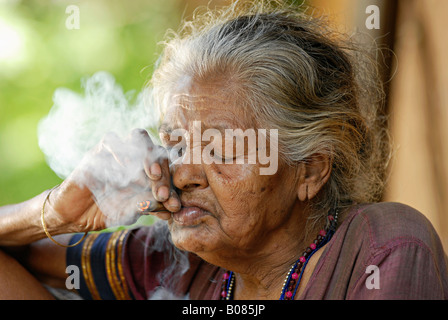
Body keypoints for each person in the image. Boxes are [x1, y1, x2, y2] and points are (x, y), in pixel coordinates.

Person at [0, 0, 447, 300]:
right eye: (174, 144)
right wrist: (55, 213)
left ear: (310, 170)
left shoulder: (383, 246)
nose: (184, 173)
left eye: (222, 150)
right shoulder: (169, 260)